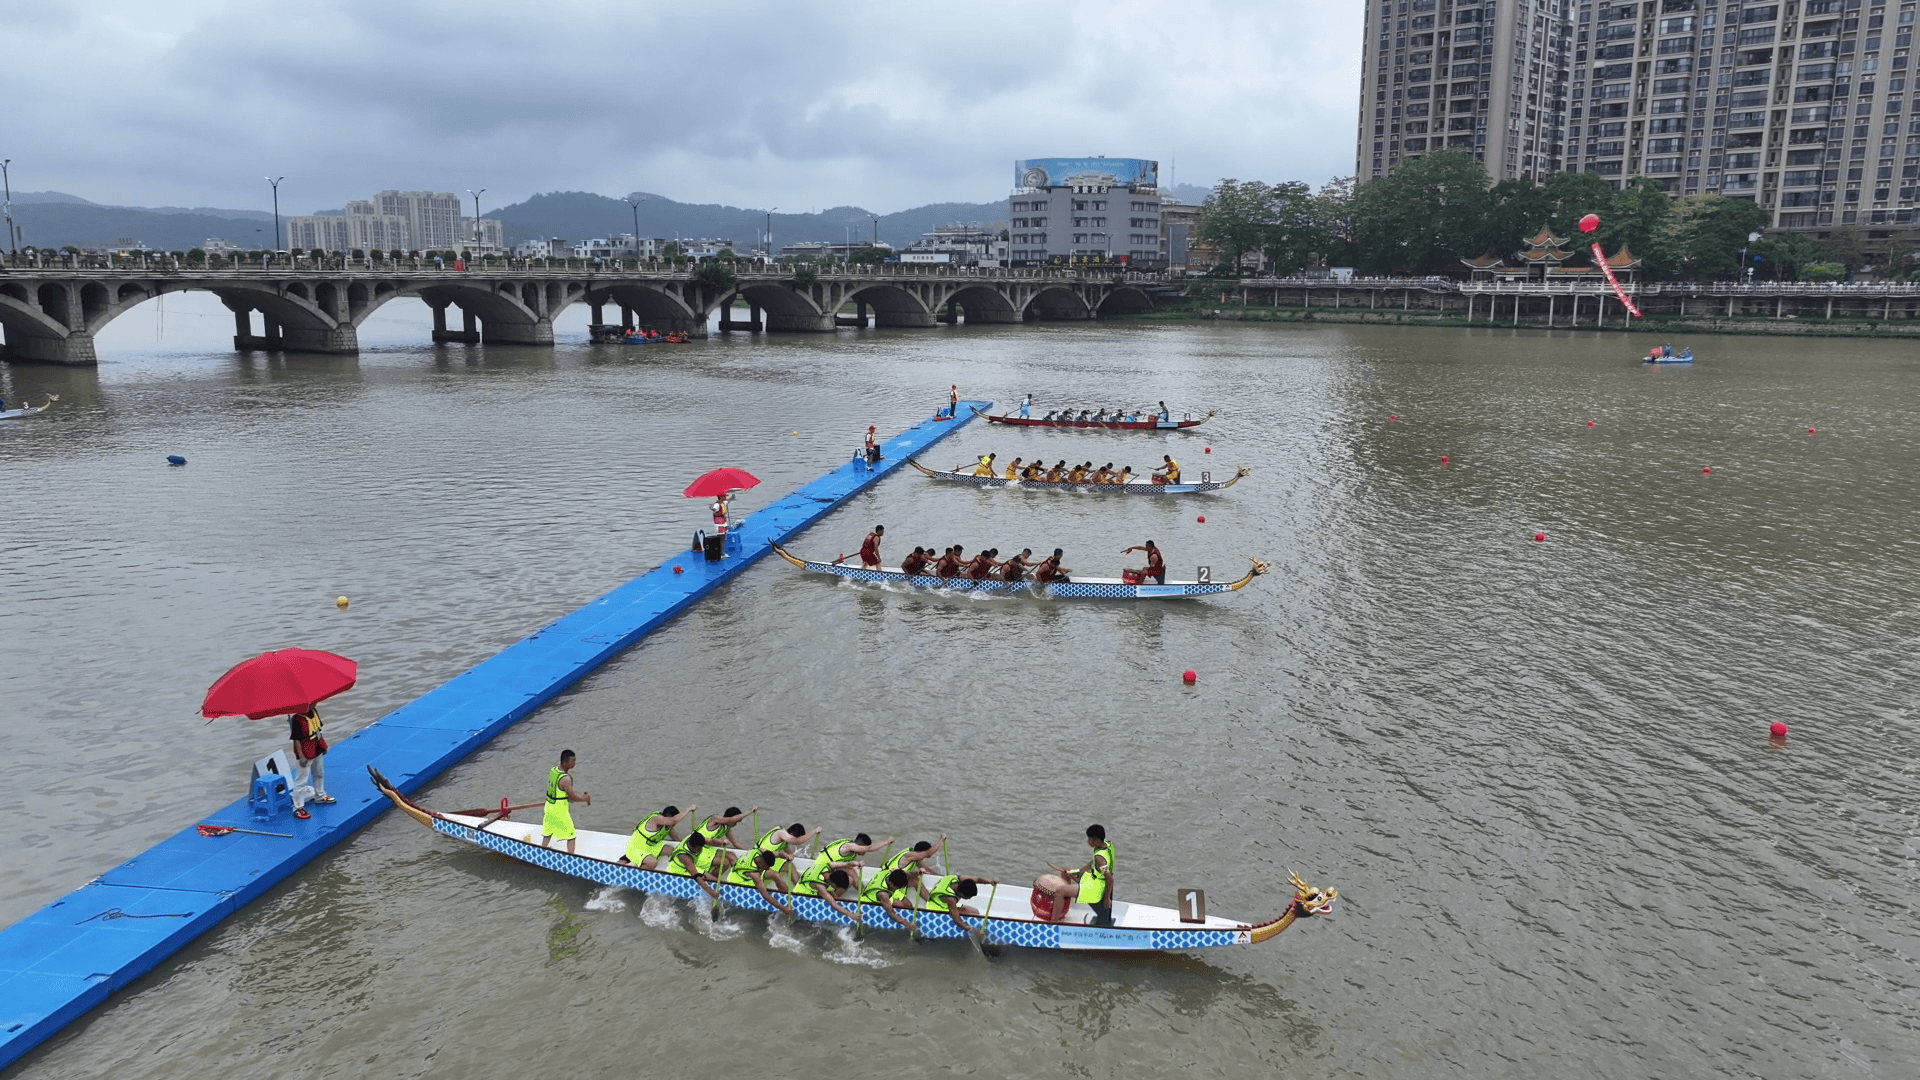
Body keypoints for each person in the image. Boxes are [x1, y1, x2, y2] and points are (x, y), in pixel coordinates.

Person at [1040, 824, 1116, 926]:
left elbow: (1110, 879)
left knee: (1059, 891)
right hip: (1093, 880)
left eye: (1090, 839)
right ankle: (1063, 911)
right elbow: (1092, 864)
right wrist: (1076, 872)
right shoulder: (1107, 845)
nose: (1088, 841)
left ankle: (1053, 925)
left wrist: (1107, 899)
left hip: (1096, 889)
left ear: (1097, 841)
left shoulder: (1099, 858)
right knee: (1066, 873)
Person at [541, 750, 592, 853]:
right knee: (571, 835)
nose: (575, 763)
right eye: (573, 760)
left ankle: (542, 849)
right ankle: (571, 858)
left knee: (548, 832)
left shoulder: (553, 770)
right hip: (559, 810)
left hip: (549, 807)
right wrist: (584, 799)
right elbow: (572, 797)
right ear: (566, 761)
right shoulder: (565, 779)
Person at [287, 706, 333, 819]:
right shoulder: (297, 719)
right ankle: (297, 808)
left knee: (319, 773)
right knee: (301, 781)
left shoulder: (314, 712)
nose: (315, 703)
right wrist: (301, 756)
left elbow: (318, 731)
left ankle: (320, 796)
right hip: (305, 751)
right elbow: (296, 740)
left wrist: (323, 745)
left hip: (317, 747)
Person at [923, 873, 1000, 936]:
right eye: (968, 897)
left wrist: (990, 881)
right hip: (936, 907)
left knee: (975, 911)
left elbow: (978, 879)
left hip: (941, 900)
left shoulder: (954, 878)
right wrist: (972, 931)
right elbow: (957, 920)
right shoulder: (951, 899)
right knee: (972, 913)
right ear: (961, 893)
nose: (969, 899)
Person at [619, 803, 693, 868]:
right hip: (636, 848)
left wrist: (686, 847)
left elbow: (676, 837)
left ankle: (677, 871)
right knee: (652, 862)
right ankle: (638, 875)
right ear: (667, 817)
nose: (674, 824)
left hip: (650, 847)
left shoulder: (668, 826)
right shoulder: (656, 820)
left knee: (671, 850)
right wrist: (689, 809)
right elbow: (674, 820)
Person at [722, 849, 794, 913]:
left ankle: (789, 898)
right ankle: (785, 905)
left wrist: (785, 855)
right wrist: (782, 908)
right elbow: (765, 895)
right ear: (760, 862)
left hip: (746, 869)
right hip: (737, 880)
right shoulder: (754, 874)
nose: (768, 868)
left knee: (775, 875)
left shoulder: (758, 851)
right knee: (760, 887)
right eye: (767, 866)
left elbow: (776, 854)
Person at [664, 832, 723, 901]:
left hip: (687, 866)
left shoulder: (693, 837)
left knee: (714, 879)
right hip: (677, 871)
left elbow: (710, 841)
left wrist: (721, 842)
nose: (700, 850)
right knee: (705, 879)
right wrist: (711, 893)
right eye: (698, 849)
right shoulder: (685, 857)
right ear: (692, 847)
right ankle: (712, 892)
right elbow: (697, 877)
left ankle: (717, 892)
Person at [793, 864, 860, 921]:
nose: (836, 889)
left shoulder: (827, 868)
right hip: (800, 896)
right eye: (837, 887)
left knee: (849, 881)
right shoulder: (820, 886)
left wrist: (834, 897)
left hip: (808, 884)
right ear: (834, 884)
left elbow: (846, 865)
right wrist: (851, 915)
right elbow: (834, 905)